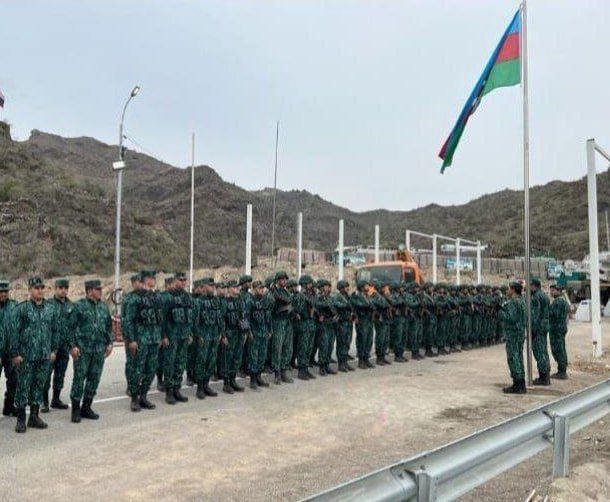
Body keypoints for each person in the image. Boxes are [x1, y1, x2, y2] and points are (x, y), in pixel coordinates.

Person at [10, 277, 59, 433]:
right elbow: (14, 332)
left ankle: (34, 417)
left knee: (38, 386)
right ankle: (21, 419)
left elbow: (55, 330)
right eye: (36, 288)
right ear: (30, 290)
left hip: (44, 356)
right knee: (23, 387)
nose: (39, 290)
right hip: (26, 357)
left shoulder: (50, 308)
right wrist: (15, 354)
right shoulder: (22, 309)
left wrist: (53, 350)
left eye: (41, 287)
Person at [68, 280, 113, 423]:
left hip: (99, 350)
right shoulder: (79, 306)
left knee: (94, 378)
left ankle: (86, 407)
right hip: (83, 350)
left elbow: (109, 327)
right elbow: (69, 328)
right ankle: (75, 409)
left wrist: (110, 343)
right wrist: (72, 346)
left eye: (100, 288)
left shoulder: (103, 307)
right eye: (97, 289)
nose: (100, 291)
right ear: (89, 291)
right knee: (79, 379)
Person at [123, 270, 163, 412]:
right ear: (145, 280)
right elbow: (128, 321)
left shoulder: (155, 297)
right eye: (151, 278)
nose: (154, 280)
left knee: (151, 370)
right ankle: (134, 398)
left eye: (154, 278)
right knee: (137, 370)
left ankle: (143, 396)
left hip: (153, 339)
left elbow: (159, 319)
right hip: (140, 340)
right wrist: (131, 340)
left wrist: (159, 336)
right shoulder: (134, 298)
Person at [161, 272, 192, 405]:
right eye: (181, 280)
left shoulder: (187, 296)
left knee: (180, 363)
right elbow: (162, 318)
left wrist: (189, 333)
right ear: (174, 281)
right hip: (171, 336)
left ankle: (176, 389)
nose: (183, 282)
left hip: (183, 335)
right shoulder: (167, 297)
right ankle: (169, 391)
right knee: (170, 363)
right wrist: (163, 336)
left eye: (185, 280)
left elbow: (189, 316)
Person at [43, 278, 73, 413]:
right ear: (55, 289)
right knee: (46, 374)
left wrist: (72, 345)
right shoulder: (48, 304)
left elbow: (73, 326)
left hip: (64, 346)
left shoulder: (70, 305)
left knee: (60, 374)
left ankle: (56, 399)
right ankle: (43, 402)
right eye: (61, 288)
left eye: (66, 288)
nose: (63, 291)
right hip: (50, 346)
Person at [192, 278, 221, 399]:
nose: (213, 287)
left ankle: (206, 384)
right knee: (201, 361)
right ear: (204, 287)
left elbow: (219, 318)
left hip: (214, 335)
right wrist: (198, 336)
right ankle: (199, 387)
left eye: (213, 285)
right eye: (210, 285)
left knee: (211, 361)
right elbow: (195, 321)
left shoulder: (216, 300)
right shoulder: (198, 302)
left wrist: (220, 333)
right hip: (204, 336)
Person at [219, 280, 249, 393]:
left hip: (239, 333)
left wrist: (245, 332)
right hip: (229, 333)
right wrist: (223, 335)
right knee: (227, 358)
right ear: (229, 288)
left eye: (237, 287)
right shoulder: (224, 302)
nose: (237, 288)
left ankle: (233, 380)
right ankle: (226, 383)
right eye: (234, 287)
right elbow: (221, 319)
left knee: (237, 358)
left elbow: (244, 317)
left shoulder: (240, 301)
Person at [500, 281, 526, 394]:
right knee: (519, 357)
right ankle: (521, 384)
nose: (508, 291)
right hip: (520, 333)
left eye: (509, 288)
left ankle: (517, 384)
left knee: (513, 358)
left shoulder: (513, 302)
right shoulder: (522, 301)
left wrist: (500, 312)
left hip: (513, 334)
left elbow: (511, 318)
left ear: (513, 290)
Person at [271, 271, 294, 384]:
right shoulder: (273, 292)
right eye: (282, 279)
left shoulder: (286, 292)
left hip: (287, 321)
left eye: (285, 279)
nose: (284, 281)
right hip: (278, 321)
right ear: (277, 280)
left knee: (287, 348)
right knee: (277, 348)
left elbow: (290, 303)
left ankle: (284, 371)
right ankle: (277, 374)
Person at [293, 275, 317, 380]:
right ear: (304, 284)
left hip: (310, 324)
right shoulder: (300, 296)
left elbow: (314, 305)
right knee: (303, 348)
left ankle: (306, 369)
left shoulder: (310, 295)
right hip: (303, 324)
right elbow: (296, 310)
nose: (311, 285)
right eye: (309, 283)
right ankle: (301, 371)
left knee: (309, 348)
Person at [247, 281, 271, 389]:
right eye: (259, 288)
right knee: (253, 356)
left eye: (262, 288)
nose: (261, 290)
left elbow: (268, 315)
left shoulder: (264, 301)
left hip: (264, 332)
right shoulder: (250, 301)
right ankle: (253, 379)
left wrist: (269, 329)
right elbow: (246, 318)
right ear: (254, 289)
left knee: (262, 355)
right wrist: (249, 332)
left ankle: (259, 377)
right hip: (255, 332)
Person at [122, 273, 142, 395]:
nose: (141, 284)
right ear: (133, 283)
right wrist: (130, 338)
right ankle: (130, 385)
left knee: (140, 362)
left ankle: (137, 383)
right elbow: (126, 320)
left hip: (143, 336)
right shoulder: (129, 298)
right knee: (131, 362)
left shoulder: (144, 297)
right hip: (132, 336)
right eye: (139, 282)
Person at [0, 280, 17, 417]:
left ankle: (9, 406)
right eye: (1, 292)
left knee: (14, 380)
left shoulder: (14, 306)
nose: (3, 294)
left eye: (5, 291)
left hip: (11, 351)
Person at [530, 278, 551, 386]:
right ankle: (546, 375)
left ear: (534, 286)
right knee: (543, 351)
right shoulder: (544, 296)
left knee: (539, 351)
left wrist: (533, 329)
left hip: (538, 327)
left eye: (530, 286)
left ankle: (543, 377)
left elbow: (535, 315)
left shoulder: (536, 297)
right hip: (544, 326)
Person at [314, 279, 337, 376]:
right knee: (324, 345)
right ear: (322, 287)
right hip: (323, 324)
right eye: (327, 286)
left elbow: (335, 307)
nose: (329, 288)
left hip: (331, 323)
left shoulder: (330, 298)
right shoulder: (318, 297)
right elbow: (316, 305)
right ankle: (322, 367)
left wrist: (336, 315)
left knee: (330, 345)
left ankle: (327, 365)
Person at [332, 280, 355, 372]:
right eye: (346, 287)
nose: (347, 288)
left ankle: (345, 362)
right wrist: (346, 305)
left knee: (347, 343)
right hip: (341, 323)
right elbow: (336, 305)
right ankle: (341, 364)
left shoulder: (348, 297)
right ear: (341, 288)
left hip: (348, 322)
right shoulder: (337, 296)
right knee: (341, 343)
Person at [351, 280, 375, 368]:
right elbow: (357, 305)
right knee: (362, 340)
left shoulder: (367, 296)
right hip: (362, 320)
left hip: (369, 320)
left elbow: (372, 305)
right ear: (361, 287)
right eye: (366, 286)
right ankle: (361, 361)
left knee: (369, 340)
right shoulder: (357, 296)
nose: (368, 287)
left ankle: (366, 359)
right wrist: (367, 306)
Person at [156, 275, 174, 392]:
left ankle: (169, 381)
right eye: (172, 284)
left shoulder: (174, 297)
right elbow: (161, 318)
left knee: (170, 359)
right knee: (161, 359)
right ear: (167, 285)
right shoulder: (163, 297)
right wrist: (163, 335)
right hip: (165, 333)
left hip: (173, 333)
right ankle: (159, 380)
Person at [549, 284, 570, 380]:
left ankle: (562, 371)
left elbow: (554, 314)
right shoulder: (563, 301)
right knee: (561, 348)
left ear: (558, 291)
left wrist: (548, 310)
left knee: (559, 349)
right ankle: (562, 369)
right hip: (561, 327)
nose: (551, 292)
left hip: (556, 328)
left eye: (553, 290)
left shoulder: (558, 302)